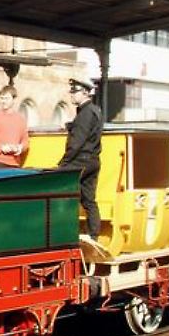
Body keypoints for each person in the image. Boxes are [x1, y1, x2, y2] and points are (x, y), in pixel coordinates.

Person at [59, 78, 104, 240]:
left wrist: (63, 164)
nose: (72, 95)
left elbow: (76, 142)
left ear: (84, 92)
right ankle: (94, 236)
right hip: (92, 160)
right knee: (89, 200)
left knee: (63, 191)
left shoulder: (85, 113)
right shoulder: (94, 111)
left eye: (74, 92)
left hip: (81, 160)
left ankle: (65, 233)